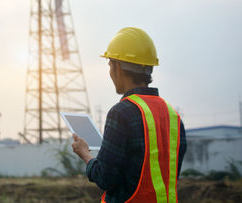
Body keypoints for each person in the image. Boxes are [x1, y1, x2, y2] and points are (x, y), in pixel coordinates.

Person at [72, 27, 187, 203]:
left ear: (117, 67)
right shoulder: (173, 116)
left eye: (110, 65)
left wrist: (85, 154)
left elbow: (105, 179)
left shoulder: (122, 113)